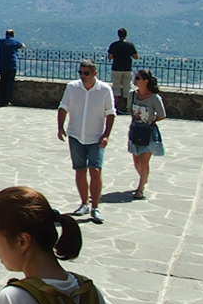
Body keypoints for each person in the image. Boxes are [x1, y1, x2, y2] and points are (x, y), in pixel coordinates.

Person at [57, 60, 115, 224]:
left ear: (95, 73)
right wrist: (60, 127)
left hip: (96, 137)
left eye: (86, 73)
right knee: (80, 170)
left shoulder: (104, 90)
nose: (83, 76)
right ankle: (84, 203)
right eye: (81, 73)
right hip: (76, 136)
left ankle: (95, 207)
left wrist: (106, 135)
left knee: (95, 170)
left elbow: (111, 113)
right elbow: (63, 107)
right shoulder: (72, 87)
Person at [127, 69, 166, 199]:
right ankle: (144, 178)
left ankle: (140, 188)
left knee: (144, 161)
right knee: (136, 160)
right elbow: (129, 110)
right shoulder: (132, 95)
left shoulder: (155, 98)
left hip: (148, 132)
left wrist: (150, 120)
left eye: (138, 78)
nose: (135, 80)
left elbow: (162, 115)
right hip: (135, 130)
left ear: (146, 81)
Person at [106, 28, 139, 114]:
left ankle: (116, 107)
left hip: (116, 68)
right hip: (127, 69)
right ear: (126, 35)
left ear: (118, 35)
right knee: (127, 88)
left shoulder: (114, 45)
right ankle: (126, 107)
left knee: (116, 88)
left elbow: (110, 56)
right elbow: (136, 57)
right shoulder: (130, 45)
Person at [0, 29, 26, 106]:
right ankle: (8, 100)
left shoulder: (0, 41)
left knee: (3, 82)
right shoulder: (15, 42)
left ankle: (2, 99)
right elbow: (23, 46)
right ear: (13, 35)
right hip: (11, 64)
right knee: (10, 83)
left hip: (2, 64)